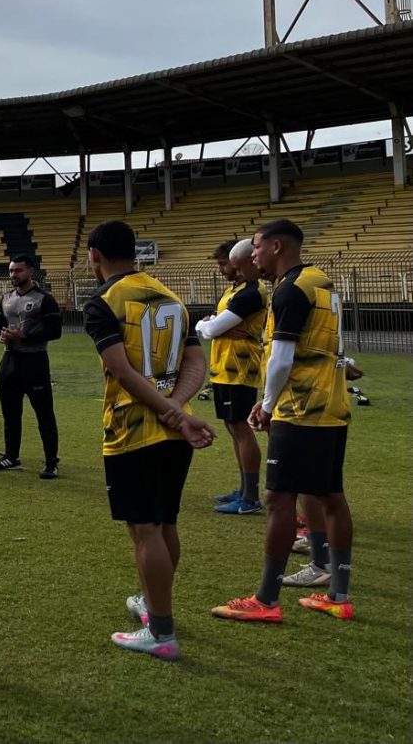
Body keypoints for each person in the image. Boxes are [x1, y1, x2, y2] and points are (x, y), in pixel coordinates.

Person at [81, 220, 214, 662]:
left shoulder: (103, 302)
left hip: (133, 428)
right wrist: (176, 409)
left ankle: (161, 631)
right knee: (165, 522)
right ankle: (153, 603)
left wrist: (165, 410)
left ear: (95, 255)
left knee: (145, 529)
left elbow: (122, 372)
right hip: (176, 429)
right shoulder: (170, 297)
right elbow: (195, 362)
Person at [212, 218, 356, 623]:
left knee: (278, 499)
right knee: (331, 496)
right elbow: (330, 343)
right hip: (332, 405)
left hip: (300, 409)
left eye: (257, 247)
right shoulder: (321, 283)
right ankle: (338, 595)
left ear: (276, 246)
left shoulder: (290, 289)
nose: (252, 255)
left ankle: (266, 599)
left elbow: (282, 356)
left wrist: (267, 404)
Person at [196, 239, 268, 515]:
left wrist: (210, 325)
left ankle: (250, 496)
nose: (222, 269)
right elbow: (210, 325)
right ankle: (243, 489)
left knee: (241, 428)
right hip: (225, 367)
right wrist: (209, 324)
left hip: (240, 369)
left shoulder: (252, 292)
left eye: (224, 263)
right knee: (232, 426)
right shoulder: (235, 290)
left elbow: (212, 329)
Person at [0, 253, 62, 477]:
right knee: (10, 414)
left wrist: (25, 336)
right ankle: (11, 457)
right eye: (11, 271)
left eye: (18, 270)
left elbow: (55, 331)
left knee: (44, 414)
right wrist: (1, 336)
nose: (14, 274)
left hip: (35, 361)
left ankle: (51, 462)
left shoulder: (44, 299)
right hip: (9, 361)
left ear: (30, 271)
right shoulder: (6, 298)